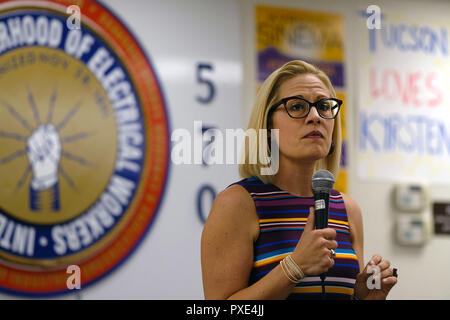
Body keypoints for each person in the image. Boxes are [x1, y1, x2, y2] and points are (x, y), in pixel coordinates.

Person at [200, 60, 398, 300]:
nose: (315, 117)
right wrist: (295, 267)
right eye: (296, 106)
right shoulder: (238, 204)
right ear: (268, 124)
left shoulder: (348, 209)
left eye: (324, 106)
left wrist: (362, 296)